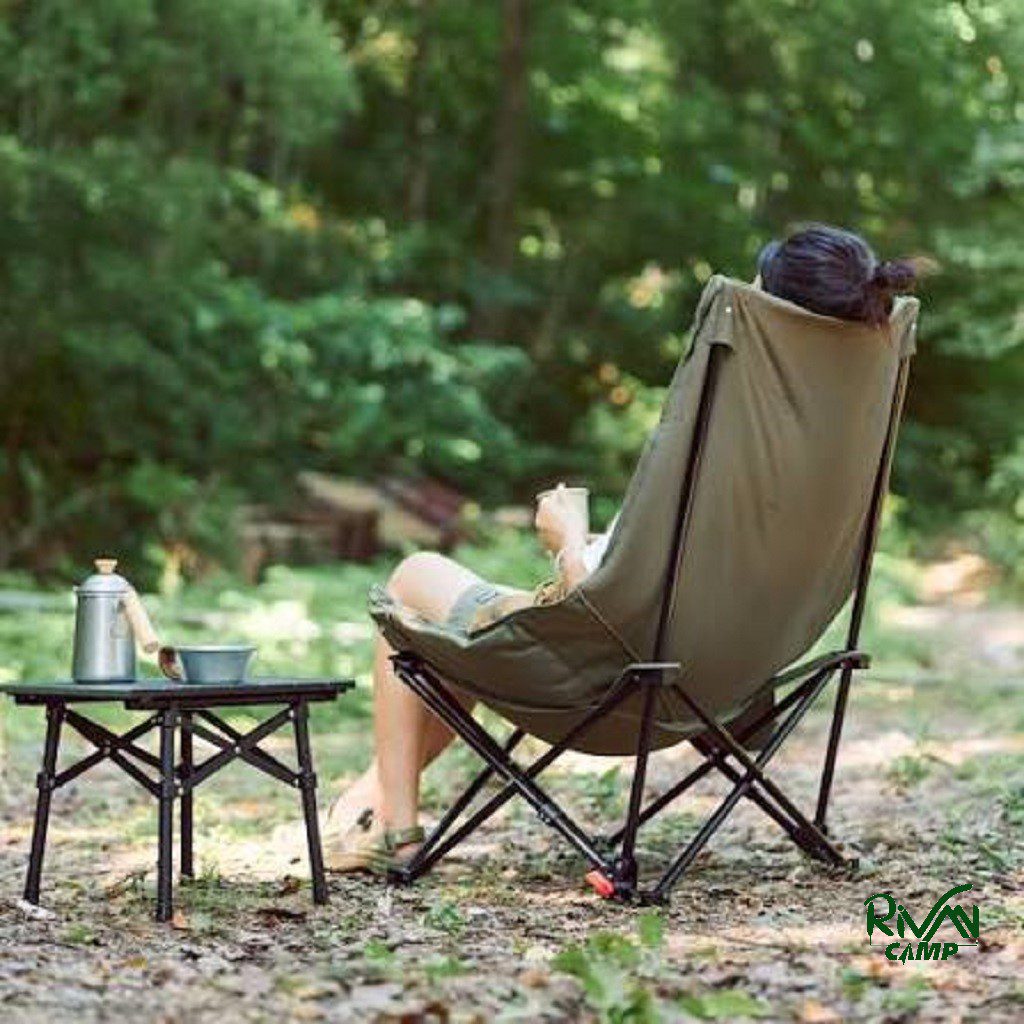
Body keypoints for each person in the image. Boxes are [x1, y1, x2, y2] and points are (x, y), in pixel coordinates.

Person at [322, 223, 919, 873]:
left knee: (415, 578)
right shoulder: (836, 437)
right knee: (456, 638)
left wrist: (566, 540)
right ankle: (370, 801)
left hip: (617, 679)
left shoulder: (737, 406)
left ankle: (397, 828)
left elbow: (601, 609)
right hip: (729, 683)